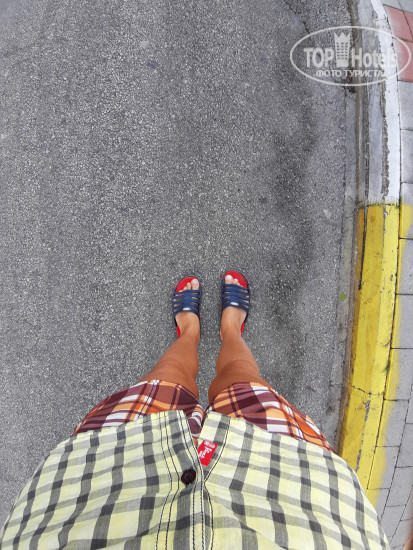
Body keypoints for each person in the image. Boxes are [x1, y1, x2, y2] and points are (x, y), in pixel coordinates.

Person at [0, 271, 389, 549]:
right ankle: (228, 329)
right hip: (290, 483)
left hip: (110, 473)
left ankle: (191, 331)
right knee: (239, 380)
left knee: (169, 378)